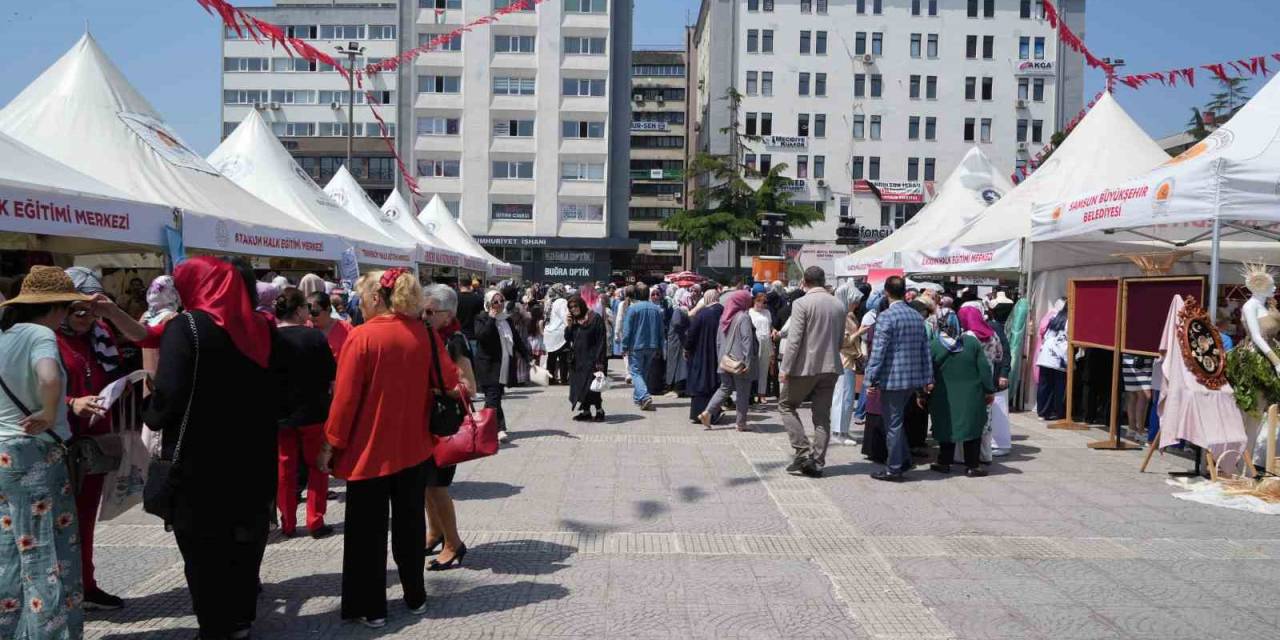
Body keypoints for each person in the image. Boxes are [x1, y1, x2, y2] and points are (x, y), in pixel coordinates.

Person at [143, 256, 279, 639]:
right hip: (253, 454)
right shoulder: (261, 327)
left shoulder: (185, 328)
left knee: (204, 548)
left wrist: (149, 412)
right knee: (245, 537)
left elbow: (167, 395)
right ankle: (240, 617)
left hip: (199, 459)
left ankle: (216, 625)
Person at [319, 268, 459, 628]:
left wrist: (331, 444)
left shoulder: (362, 337)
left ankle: (373, 607)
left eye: (363, 298)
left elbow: (345, 401)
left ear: (378, 298)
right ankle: (415, 596)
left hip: (369, 452)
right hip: (414, 447)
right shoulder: (424, 334)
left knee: (367, 532)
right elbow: (448, 379)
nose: (360, 306)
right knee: (410, 526)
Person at [0, 267, 89, 640]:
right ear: (58, 307)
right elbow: (48, 376)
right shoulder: (41, 335)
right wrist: (50, 412)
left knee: (9, 549)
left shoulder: (4, 336)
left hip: (4, 452)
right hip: (38, 452)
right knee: (47, 551)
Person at [59, 267, 150, 611]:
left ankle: (86, 585)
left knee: (83, 520)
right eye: (78, 309)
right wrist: (71, 402)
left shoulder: (100, 332)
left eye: (92, 308)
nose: (86, 316)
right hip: (60, 443)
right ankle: (62, 593)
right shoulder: (45, 338)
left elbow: (136, 344)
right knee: (58, 523)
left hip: (94, 444)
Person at [272, 288, 336, 538]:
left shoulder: (270, 338)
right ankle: (315, 520)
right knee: (318, 466)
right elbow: (331, 376)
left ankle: (287, 522)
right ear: (299, 310)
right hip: (313, 411)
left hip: (281, 414)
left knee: (284, 469)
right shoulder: (315, 337)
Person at [421, 285, 476, 572]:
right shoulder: (429, 336)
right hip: (428, 420)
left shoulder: (454, 341)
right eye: (424, 309)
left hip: (445, 422)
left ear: (448, 314)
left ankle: (454, 544)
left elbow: (470, 388)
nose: (425, 315)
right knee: (426, 485)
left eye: (431, 311)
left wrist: (434, 387)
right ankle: (435, 532)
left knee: (437, 485)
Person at [776, 268, 847, 477]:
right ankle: (817, 462)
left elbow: (794, 340)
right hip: (831, 365)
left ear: (805, 282)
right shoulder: (838, 304)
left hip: (805, 367)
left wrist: (785, 368)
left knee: (786, 405)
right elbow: (840, 341)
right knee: (822, 417)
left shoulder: (802, 303)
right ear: (823, 281)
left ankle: (802, 451)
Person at [864, 275, 934, 482]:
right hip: (912, 379)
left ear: (886, 292)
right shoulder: (916, 316)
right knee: (897, 421)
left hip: (892, 379)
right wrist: (927, 377)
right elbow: (925, 350)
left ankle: (894, 468)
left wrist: (870, 379)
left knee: (892, 424)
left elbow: (878, 352)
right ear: (904, 292)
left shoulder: (886, 317)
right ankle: (902, 459)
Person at [928, 307, 997, 477]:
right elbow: (984, 369)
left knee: (946, 427)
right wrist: (989, 390)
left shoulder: (934, 345)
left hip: (943, 396)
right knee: (972, 429)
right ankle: (972, 466)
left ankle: (944, 462)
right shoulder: (972, 343)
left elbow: (927, 372)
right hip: (971, 396)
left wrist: (921, 393)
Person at [474, 289, 533, 442]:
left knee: (494, 398)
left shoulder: (506, 319)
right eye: (495, 302)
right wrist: (491, 319)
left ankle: (485, 427)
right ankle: (498, 429)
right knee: (493, 397)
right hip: (487, 365)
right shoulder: (481, 318)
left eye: (501, 301)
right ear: (488, 303)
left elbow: (517, 340)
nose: (499, 304)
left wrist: (528, 358)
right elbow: (482, 337)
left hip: (502, 365)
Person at [699, 290, 759, 432]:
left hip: (725, 361)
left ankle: (707, 413)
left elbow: (718, 342)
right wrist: (748, 362)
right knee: (743, 392)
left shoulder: (724, 317)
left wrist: (721, 360)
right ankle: (741, 423)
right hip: (739, 363)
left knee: (724, 388)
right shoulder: (743, 317)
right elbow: (747, 342)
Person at [829, 284, 864, 446]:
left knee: (847, 397)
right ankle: (838, 432)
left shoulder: (847, 315)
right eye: (854, 301)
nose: (856, 304)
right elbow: (842, 342)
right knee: (843, 396)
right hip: (844, 360)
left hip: (848, 360)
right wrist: (860, 332)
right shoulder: (841, 316)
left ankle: (842, 429)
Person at [621, 282, 665, 412]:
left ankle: (644, 396)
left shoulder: (633, 309)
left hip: (637, 345)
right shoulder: (656, 309)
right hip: (652, 345)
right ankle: (638, 397)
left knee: (635, 372)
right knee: (644, 372)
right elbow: (661, 331)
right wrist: (660, 347)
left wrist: (624, 346)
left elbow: (627, 330)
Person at [565, 294, 608, 421]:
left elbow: (601, 341)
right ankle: (586, 411)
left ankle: (599, 410)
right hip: (578, 361)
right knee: (580, 387)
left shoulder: (595, 318)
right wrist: (569, 326)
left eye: (575, 306)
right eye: (571, 307)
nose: (573, 309)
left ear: (581, 305)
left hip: (592, 360)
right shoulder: (574, 320)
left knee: (592, 387)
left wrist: (600, 361)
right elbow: (568, 338)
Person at [685, 289, 724, 423]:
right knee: (715, 382)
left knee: (701, 382)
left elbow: (691, 334)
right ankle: (714, 412)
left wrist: (687, 348)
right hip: (719, 353)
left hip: (701, 353)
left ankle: (699, 413)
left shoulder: (702, 314)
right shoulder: (724, 312)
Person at [987, 294, 1015, 457]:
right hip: (997, 374)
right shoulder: (997, 325)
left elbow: (1005, 351)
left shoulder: (995, 326)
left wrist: (1004, 373)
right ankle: (997, 442)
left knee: (999, 411)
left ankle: (1001, 443)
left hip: (998, 374)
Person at [1036, 300, 1069, 420]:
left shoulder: (1055, 316)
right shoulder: (1070, 320)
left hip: (1046, 354)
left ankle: (1042, 411)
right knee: (1058, 386)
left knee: (1044, 385)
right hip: (1059, 356)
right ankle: (1056, 411)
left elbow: (1045, 333)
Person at [307, 292, 354, 361]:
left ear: (328, 309)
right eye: (308, 312)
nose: (310, 317)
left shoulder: (346, 329)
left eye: (315, 313)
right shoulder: (305, 327)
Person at [664, 287, 693, 397]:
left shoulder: (682, 309)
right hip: (677, 341)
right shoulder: (678, 310)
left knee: (680, 365)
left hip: (678, 341)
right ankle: (675, 388)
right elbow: (677, 324)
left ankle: (677, 388)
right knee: (676, 365)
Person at [748, 292, 775, 404]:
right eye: (759, 301)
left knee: (764, 369)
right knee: (754, 369)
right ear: (754, 301)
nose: (762, 304)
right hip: (755, 342)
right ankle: (752, 394)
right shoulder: (749, 312)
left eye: (764, 302)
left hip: (766, 342)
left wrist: (773, 330)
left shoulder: (767, 312)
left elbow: (770, 325)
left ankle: (762, 394)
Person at [542, 285, 570, 385]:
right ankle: (563, 379)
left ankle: (550, 379)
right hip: (559, 333)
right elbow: (565, 317)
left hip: (549, 332)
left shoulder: (549, 300)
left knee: (551, 358)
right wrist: (570, 328)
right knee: (563, 357)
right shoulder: (562, 302)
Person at [456, 278, 485, 356]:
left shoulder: (455, 298)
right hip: (473, 335)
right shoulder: (479, 298)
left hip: (457, 336)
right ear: (470, 285)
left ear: (459, 284)